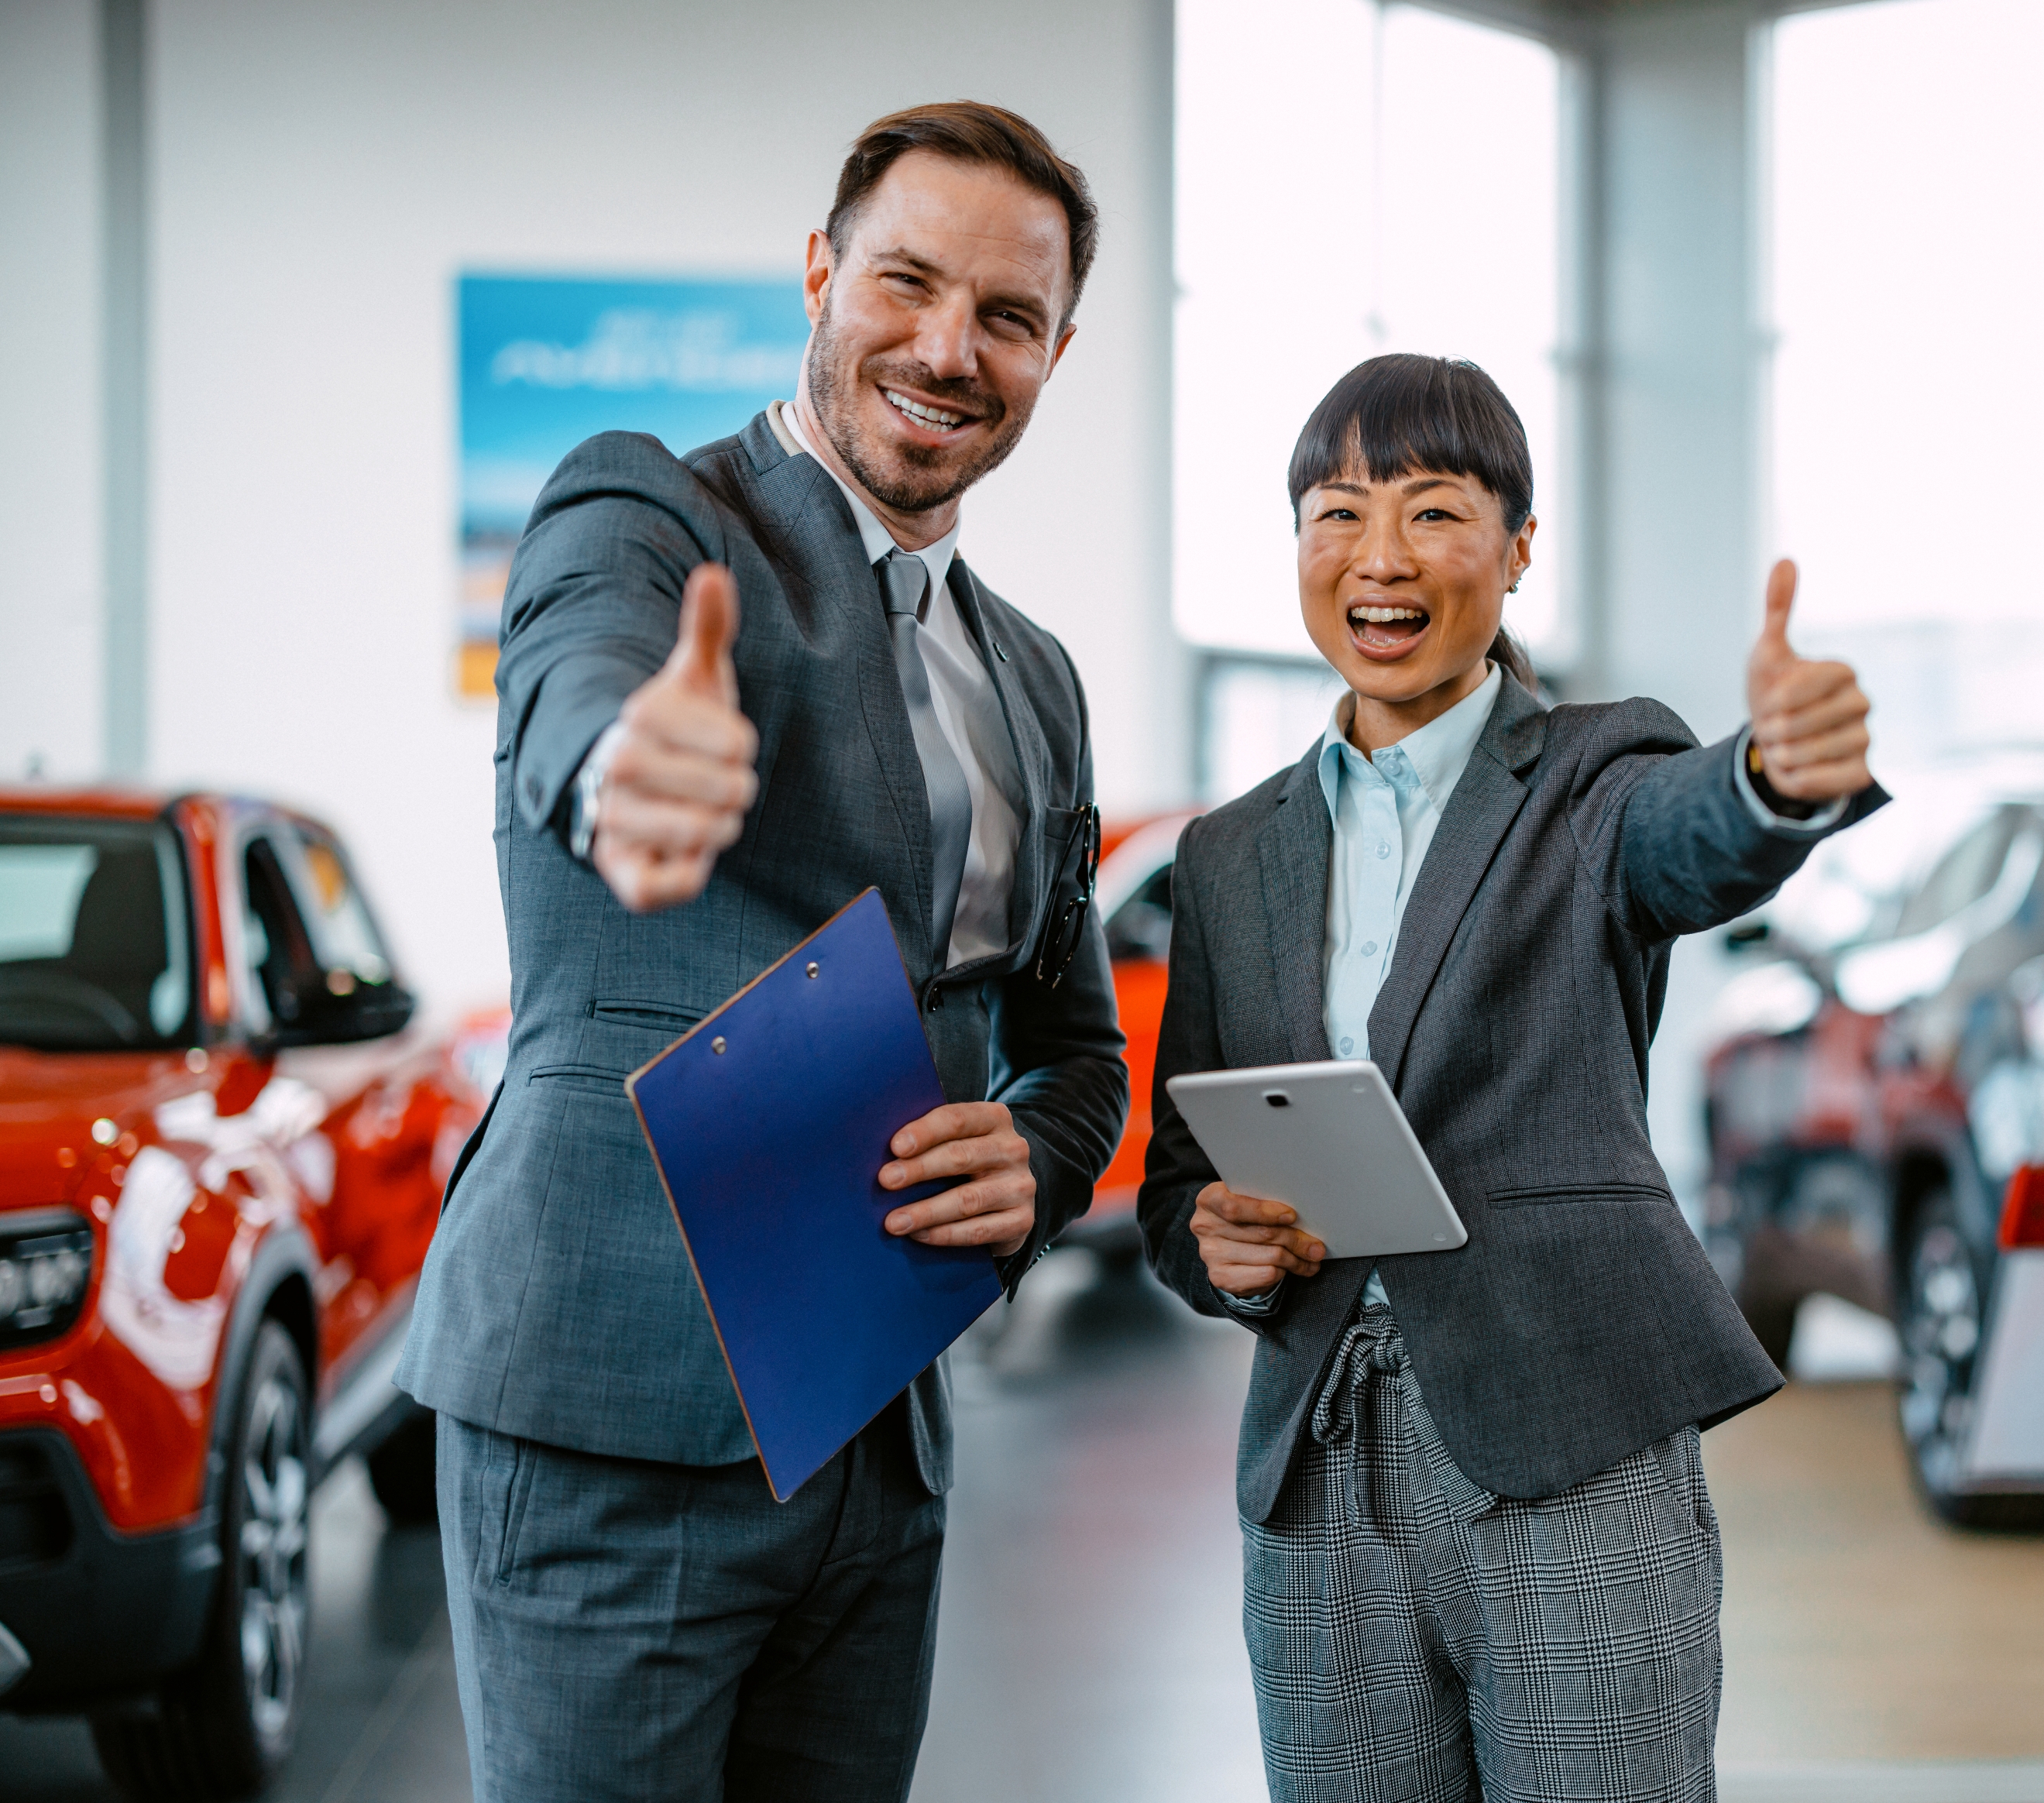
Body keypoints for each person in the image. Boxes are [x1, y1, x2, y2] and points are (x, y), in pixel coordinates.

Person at [396, 102, 1129, 1801]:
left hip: (880, 1431)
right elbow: (586, 658)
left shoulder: (1034, 680)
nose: (948, 349)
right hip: (611, 1413)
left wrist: (1032, 1157)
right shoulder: (652, 514)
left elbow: (1075, 1051)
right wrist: (615, 756)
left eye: (1007, 319)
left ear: (1054, 352)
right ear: (818, 271)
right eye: (905, 282)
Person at [1139, 353, 1884, 1802]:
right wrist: (1215, 1245)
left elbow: (1696, 835)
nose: (1381, 559)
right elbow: (1183, 1184)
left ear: (1517, 548)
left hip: (1567, 1442)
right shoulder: (1230, 855)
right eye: (1338, 514)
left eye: (1433, 513)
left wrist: (1774, 781)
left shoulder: (1597, 778)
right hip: (1316, 1474)